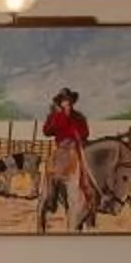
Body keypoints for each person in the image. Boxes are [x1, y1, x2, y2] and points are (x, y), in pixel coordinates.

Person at [40, 89, 91, 228]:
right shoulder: (56, 116)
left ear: (72, 102)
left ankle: (90, 203)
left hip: (76, 148)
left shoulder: (79, 117)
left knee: (88, 172)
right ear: (60, 102)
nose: (66, 102)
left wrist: (78, 136)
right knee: (51, 171)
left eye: (68, 100)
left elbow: (86, 133)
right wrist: (55, 117)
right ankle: (51, 198)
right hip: (61, 150)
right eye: (63, 100)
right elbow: (46, 131)